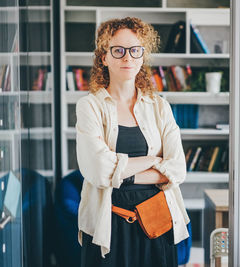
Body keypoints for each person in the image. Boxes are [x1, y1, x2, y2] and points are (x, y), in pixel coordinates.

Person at [75, 17, 190, 267]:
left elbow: (178, 169)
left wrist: (123, 174)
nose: (127, 57)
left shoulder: (160, 107)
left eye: (135, 50)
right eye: (118, 50)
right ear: (104, 57)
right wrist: (153, 161)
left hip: (157, 224)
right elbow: (97, 170)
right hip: (108, 225)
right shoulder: (90, 107)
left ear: (142, 56)